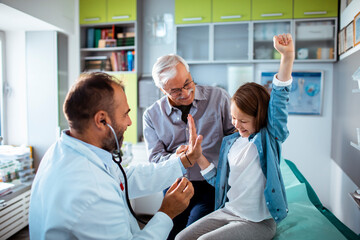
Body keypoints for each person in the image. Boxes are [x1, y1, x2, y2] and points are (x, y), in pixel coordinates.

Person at [28, 72, 204, 240]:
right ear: (101, 120)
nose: (129, 122)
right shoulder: (90, 191)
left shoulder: (65, 150)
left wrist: (183, 161)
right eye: (125, 114)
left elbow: (123, 179)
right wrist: (167, 213)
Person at [175, 33, 295, 240]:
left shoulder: (269, 138)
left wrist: (287, 57)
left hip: (257, 222)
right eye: (233, 118)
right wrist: (198, 156)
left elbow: (279, 101)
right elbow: (219, 181)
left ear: (260, 117)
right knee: (180, 238)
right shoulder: (231, 143)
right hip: (228, 211)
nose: (236, 125)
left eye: (243, 121)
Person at [143, 54, 235, 239]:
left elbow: (236, 137)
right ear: (162, 90)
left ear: (190, 74)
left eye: (187, 83)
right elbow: (154, 158)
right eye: (175, 90)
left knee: (192, 234)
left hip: (212, 183)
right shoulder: (151, 115)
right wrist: (176, 158)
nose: (185, 93)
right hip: (174, 185)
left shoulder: (219, 98)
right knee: (169, 234)